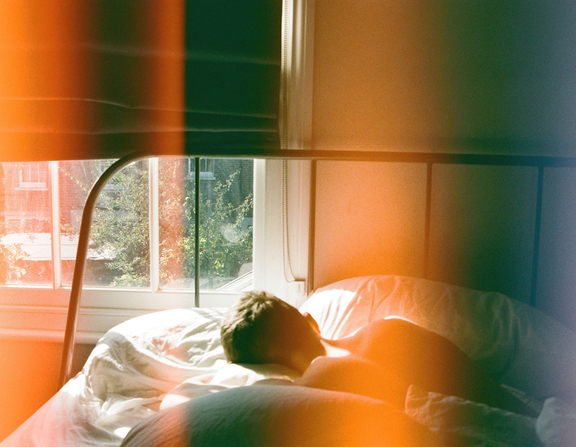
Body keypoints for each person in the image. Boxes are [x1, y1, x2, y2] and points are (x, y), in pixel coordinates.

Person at [220, 291, 537, 416]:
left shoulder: (314, 383)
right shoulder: (390, 328)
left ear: (270, 368)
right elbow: (482, 389)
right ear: (311, 320)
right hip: (524, 415)